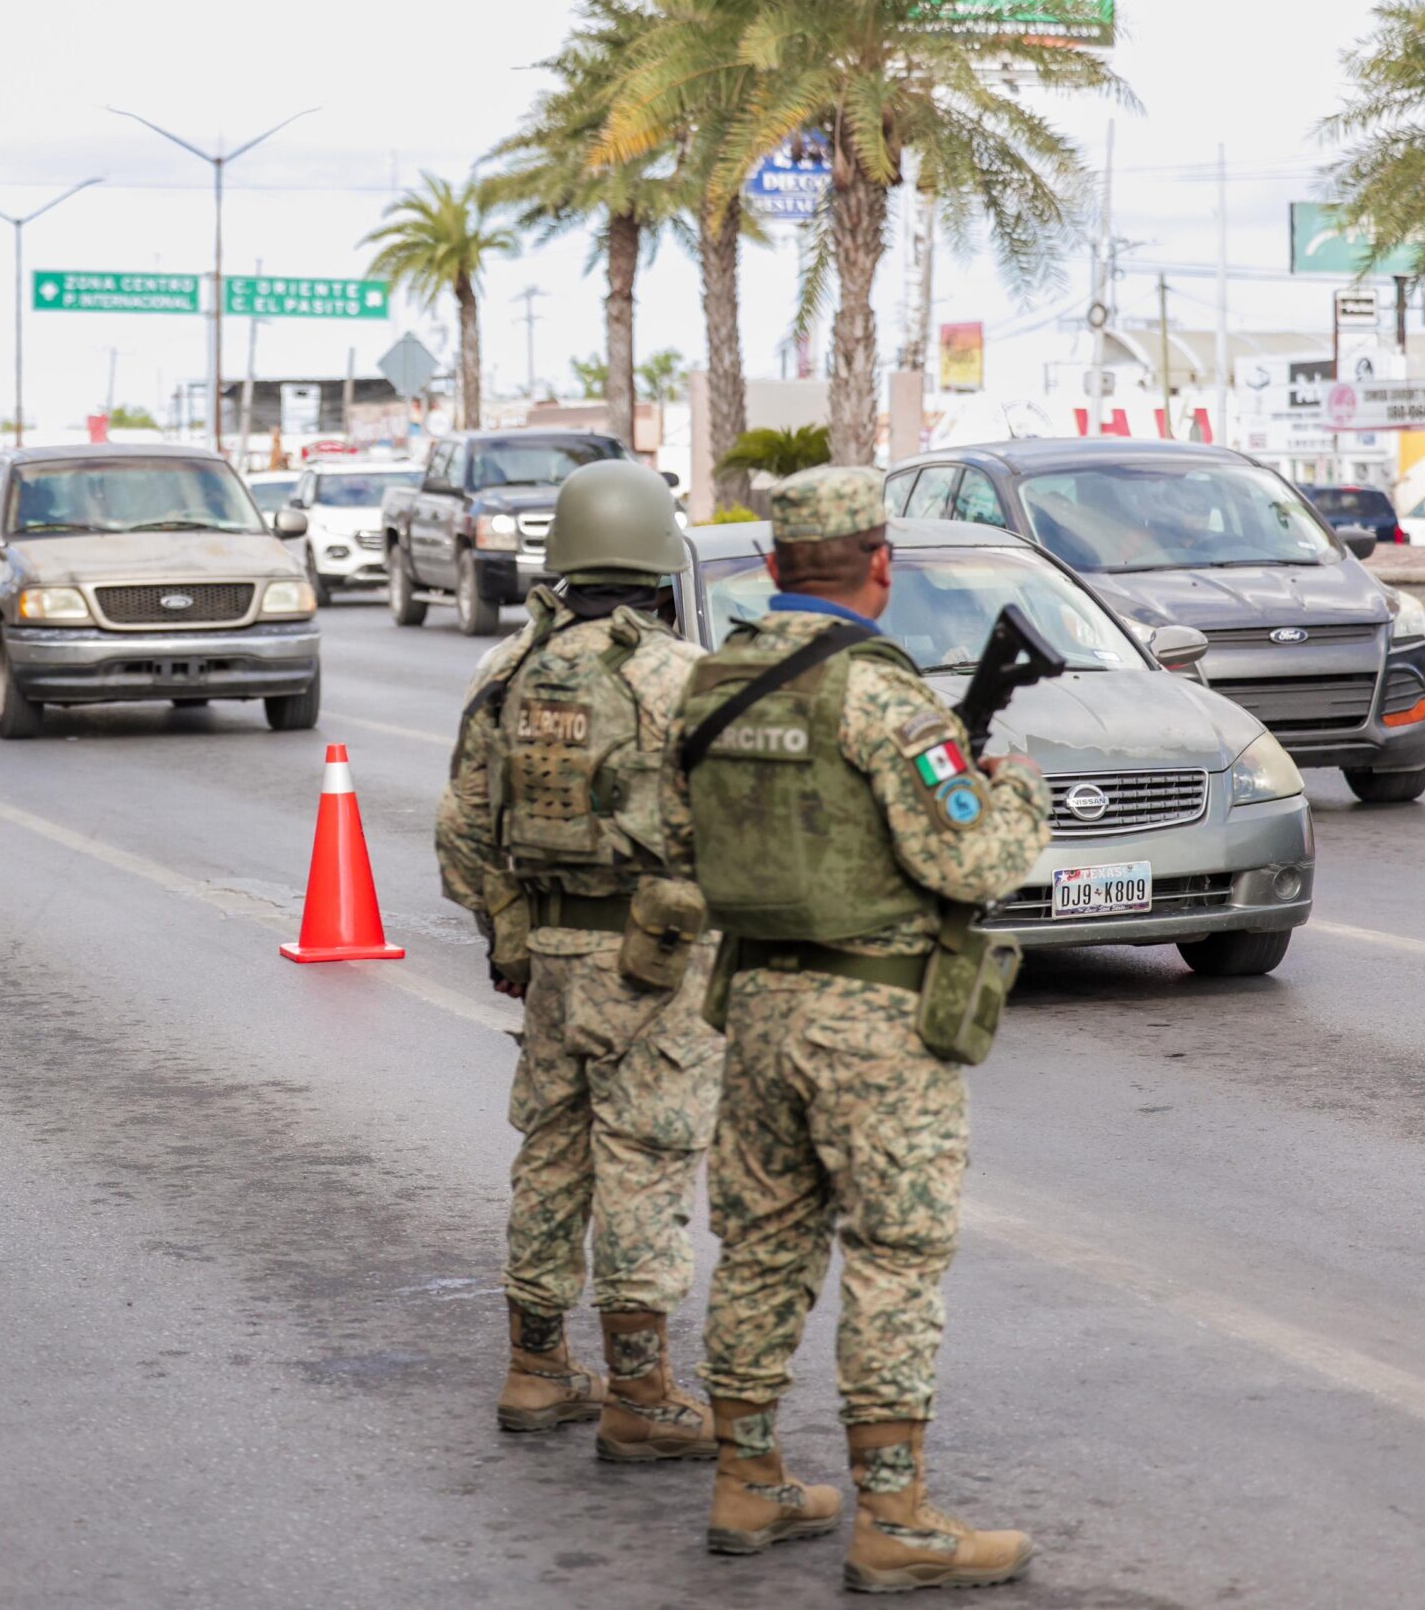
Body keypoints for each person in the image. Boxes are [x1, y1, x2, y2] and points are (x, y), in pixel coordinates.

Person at [679, 467, 1049, 1589]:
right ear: (879, 563)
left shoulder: (710, 682)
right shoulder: (882, 699)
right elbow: (970, 860)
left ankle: (746, 1481)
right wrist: (1017, 788)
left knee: (760, 1243)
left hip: (752, 1003)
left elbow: (672, 835)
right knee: (892, 1256)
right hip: (873, 1016)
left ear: (775, 565)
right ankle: (895, 1517)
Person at [434, 459, 727, 1461]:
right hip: (653, 960)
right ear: (658, 568)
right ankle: (641, 1395)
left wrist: (508, 937)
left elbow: (462, 833)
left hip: (548, 958)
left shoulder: (506, 674)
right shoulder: (680, 677)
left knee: (550, 1157)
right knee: (641, 1160)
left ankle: (536, 1368)